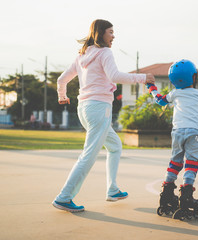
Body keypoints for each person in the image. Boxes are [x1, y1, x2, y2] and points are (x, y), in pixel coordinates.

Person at [52, 19, 155, 212]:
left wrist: (62, 96)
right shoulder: (105, 52)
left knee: (115, 146)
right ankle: (64, 197)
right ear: (101, 33)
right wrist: (143, 78)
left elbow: (61, 79)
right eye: (111, 32)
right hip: (100, 108)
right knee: (88, 155)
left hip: (84, 108)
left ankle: (112, 189)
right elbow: (114, 76)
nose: (113, 36)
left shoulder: (82, 55)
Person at [146, 59, 198, 220]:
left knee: (175, 162)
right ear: (194, 77)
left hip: (177, 132)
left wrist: (152, 88)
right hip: (195, 132)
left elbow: (160, 101)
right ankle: (186, 196)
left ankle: (167, 194)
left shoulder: (174, 93)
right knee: (191, 162)